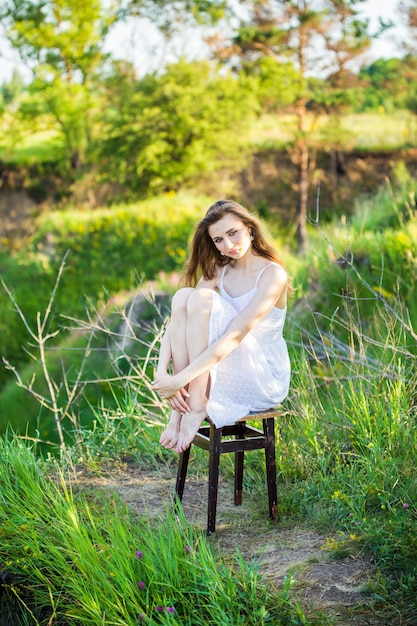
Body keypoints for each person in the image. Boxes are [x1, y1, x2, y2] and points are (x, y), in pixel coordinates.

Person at [151, 199, 291, 454]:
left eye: (232, 233)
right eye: (218, 240)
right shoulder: (220, 270)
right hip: (225, 365)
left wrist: (180, 378)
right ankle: (180, 410)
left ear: (249, 228)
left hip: (263, 375)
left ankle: (195, 406)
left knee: (202, 298)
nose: (228, 245)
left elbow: (235, 337)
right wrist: (164, 376)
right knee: (183, 296)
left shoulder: (273, 274)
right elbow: (177, 321)